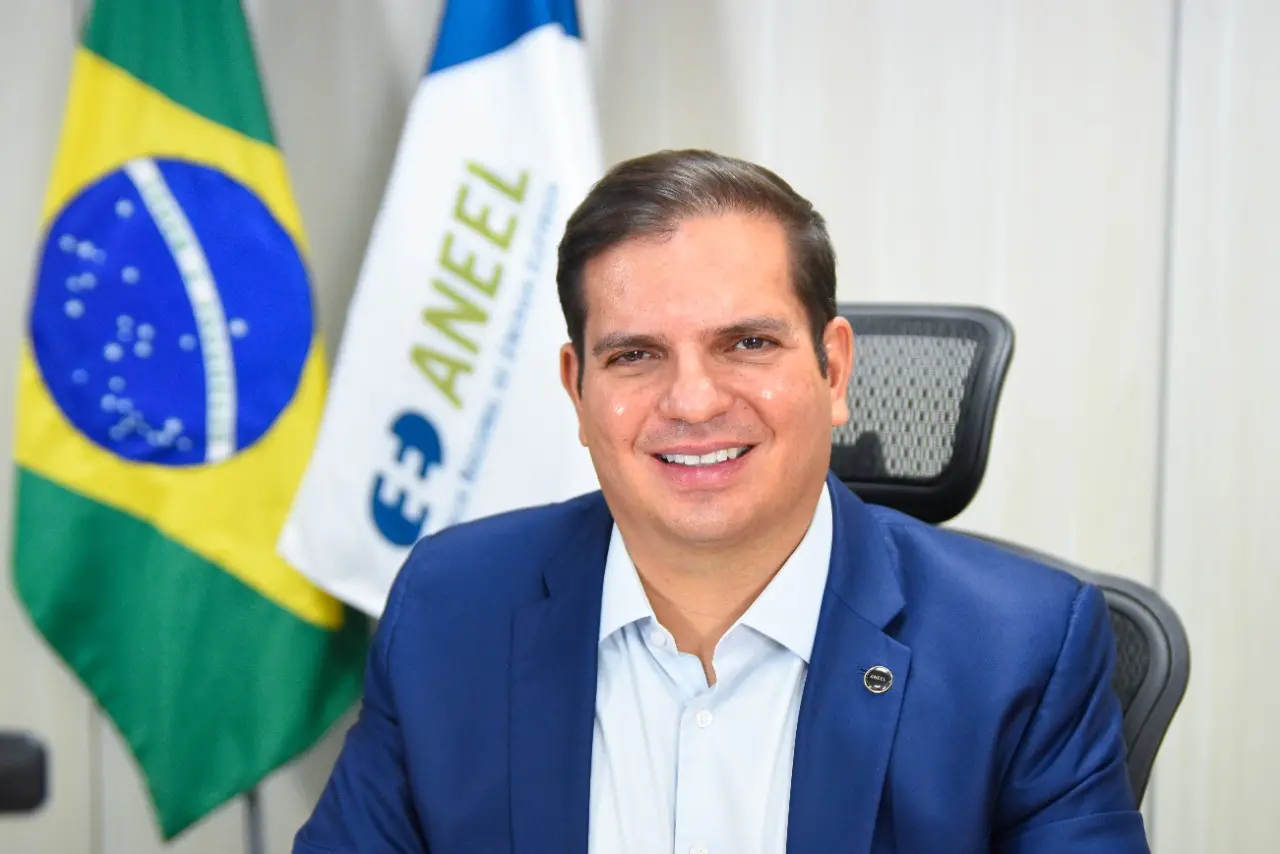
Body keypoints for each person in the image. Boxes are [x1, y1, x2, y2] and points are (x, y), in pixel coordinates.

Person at [294, 149, 1148, 853]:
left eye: (746, 343)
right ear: (577, 390)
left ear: (834, 370)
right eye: (635, 355)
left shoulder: (1020, 650)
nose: (694, 402)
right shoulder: (450, 610)